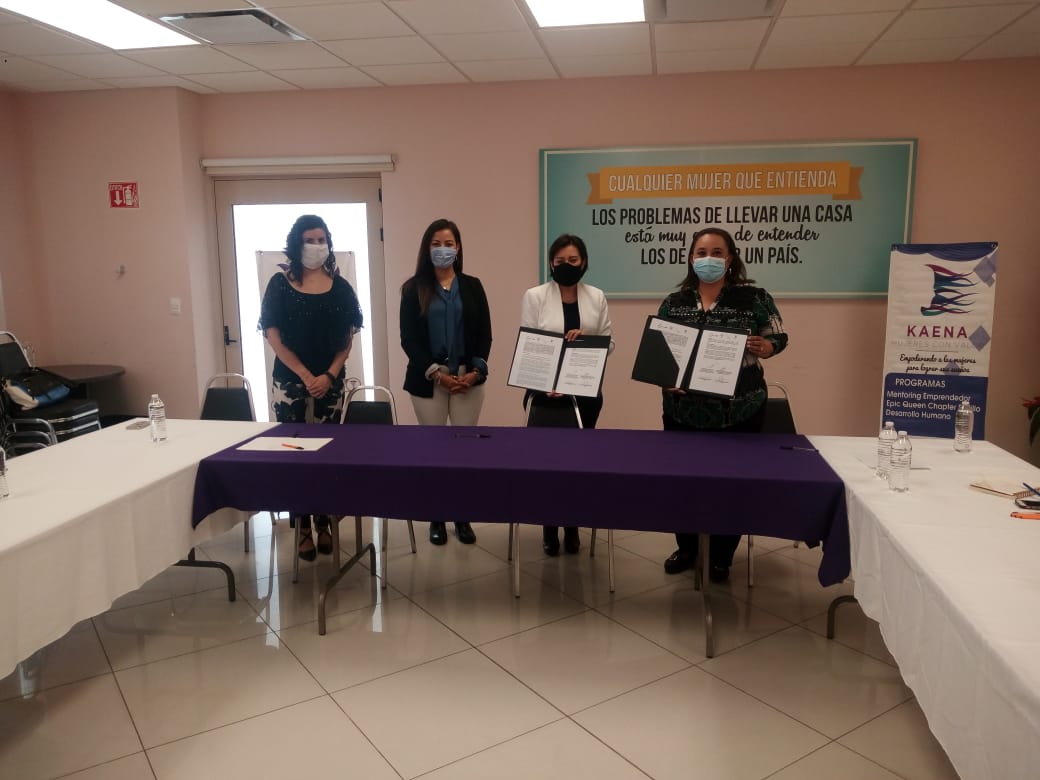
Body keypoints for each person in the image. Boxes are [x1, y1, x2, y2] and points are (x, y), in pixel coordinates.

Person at [659, 227, 787, 582]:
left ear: (730, 259)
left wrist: (768, 347)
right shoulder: (674, 302)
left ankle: (721, 556)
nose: (709, 259)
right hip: (683, 412)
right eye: (701, 253)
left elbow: (778, 335)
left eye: (717, 252)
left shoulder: (755, 297)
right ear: (691, 258)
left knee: (734, 486)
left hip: (740, 412)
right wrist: (665, 376)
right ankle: (687, 548)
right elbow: (661, 352)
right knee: (682, 485)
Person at [258, 214, 364, 561]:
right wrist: (305, 375)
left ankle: (323, 521)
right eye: (310, 240)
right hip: (290, 381)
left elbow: (347, 340)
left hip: (329, 382)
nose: (317, 246)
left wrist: (328, 376)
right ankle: (301, 525)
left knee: (326, 455)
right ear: (296, 243)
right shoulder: (279, 284)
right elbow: (273, 336)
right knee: (294, 456)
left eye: (322, 240)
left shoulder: (341, 287)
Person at [400, 218, 492, 546]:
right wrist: (437, 374)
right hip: (429, 381)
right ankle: (436, 517)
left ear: (458, 247)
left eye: (449, 243)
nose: (443, 249)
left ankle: (462, 516)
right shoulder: (413, 288)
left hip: (468, 378)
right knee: (434, 452)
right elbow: (409, 339)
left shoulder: (473, 286)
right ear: (427, 248)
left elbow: (485, 334)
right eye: (436, 243)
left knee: (463, 453)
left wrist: (475, 371)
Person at [520, 233, 612, 556]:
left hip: (584, 392)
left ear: (583, 262)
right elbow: (529, 344)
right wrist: (547, 383)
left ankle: (573, 526)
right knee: (548, 466)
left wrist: (586, 340)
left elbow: (609, 343)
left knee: (579, 465)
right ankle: (549, 527)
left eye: (573, 260)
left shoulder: (596, 297)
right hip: (544, 392)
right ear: (551, 263)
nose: (567, 266)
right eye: (560, 261)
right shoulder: (535, 296)